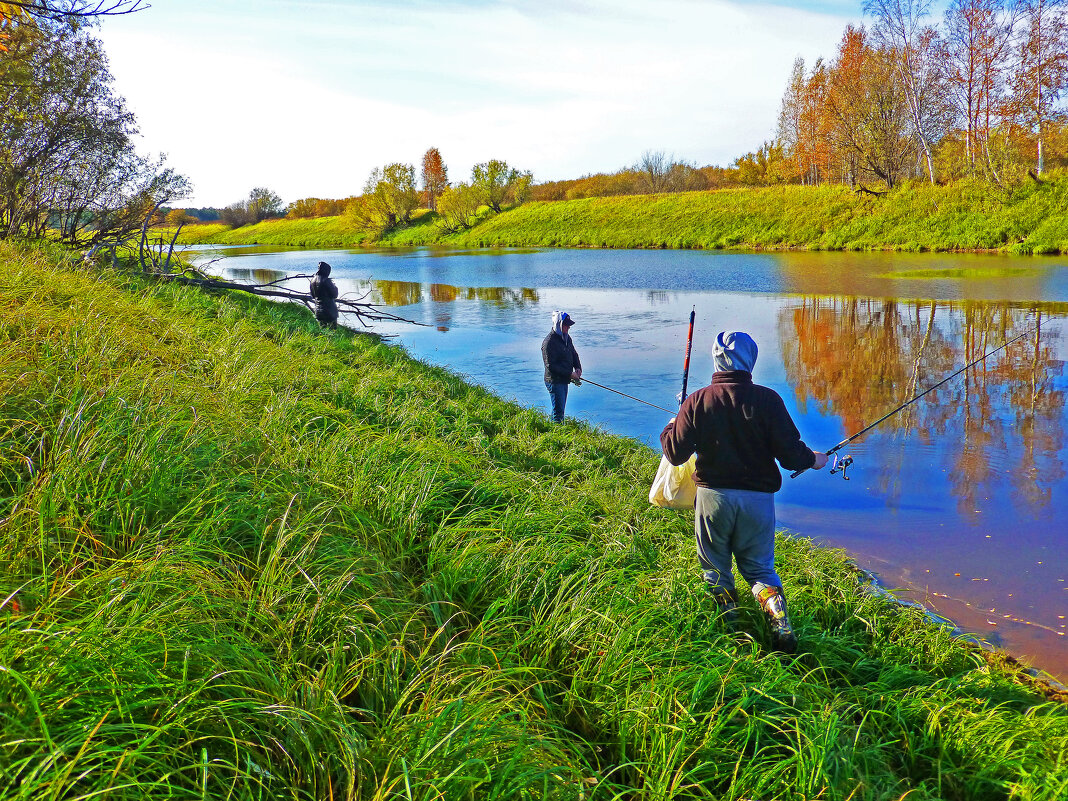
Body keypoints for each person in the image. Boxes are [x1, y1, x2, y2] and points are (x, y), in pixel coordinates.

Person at [659, 331, 828, 653]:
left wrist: (673, 422)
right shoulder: (768, 400)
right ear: (751, 359)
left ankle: (730, 634)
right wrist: (815, 460)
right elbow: (791, 455)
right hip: (757, 500)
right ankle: (777, 617)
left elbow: (674, 454)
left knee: (716, 568)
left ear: (716, 359)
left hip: (712, 499)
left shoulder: (697, 401)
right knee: (760, 568)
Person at [541, 310, 582, 422]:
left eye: (569, 325)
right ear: (558, 324)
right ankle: (556, 431)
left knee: (559, 409)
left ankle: (552, 428)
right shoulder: (549, 342)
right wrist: (570, 374)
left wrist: (578, 368)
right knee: (558, 412)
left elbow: (574, 354)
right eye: (566, 325)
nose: (568, 327)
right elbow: (550, 366)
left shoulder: (567, 338)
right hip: (554, 381)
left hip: (563, 379)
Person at [309, 261, 339, 329]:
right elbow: (335, 295)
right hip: (330, 311)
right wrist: (335, 286)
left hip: (318, 311)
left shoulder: (312, 280)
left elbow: (313, 295)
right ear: (326, 271)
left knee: (322, 331)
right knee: (333, 331)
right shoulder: (326, 280)